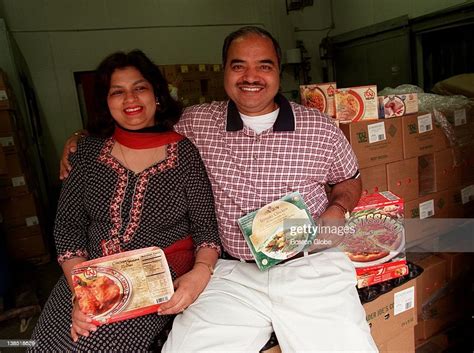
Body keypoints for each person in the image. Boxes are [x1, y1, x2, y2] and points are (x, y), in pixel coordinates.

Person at [60, 28, 378, 352]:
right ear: (224, 70)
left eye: (264, 66)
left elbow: (349, 178)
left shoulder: (319, 127)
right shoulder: (197, 121)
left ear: (279, 72)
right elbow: (140, 121)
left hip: (309, 266)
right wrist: (82, 137)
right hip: (232, 274)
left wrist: (338, 209)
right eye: (238, 66)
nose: (250, 76)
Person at [32, 50, 220, 351]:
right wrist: (82, 293)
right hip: (90, 273)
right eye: (117, 92)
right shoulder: (88, 152)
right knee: (47, 343)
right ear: (107, 103)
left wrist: (200, 273)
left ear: (156, 95)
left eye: (139, 88)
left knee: (95, 345)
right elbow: (68, 227)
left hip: (156, 271)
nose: (130, 99)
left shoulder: (184, 153)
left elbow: (206, 229)